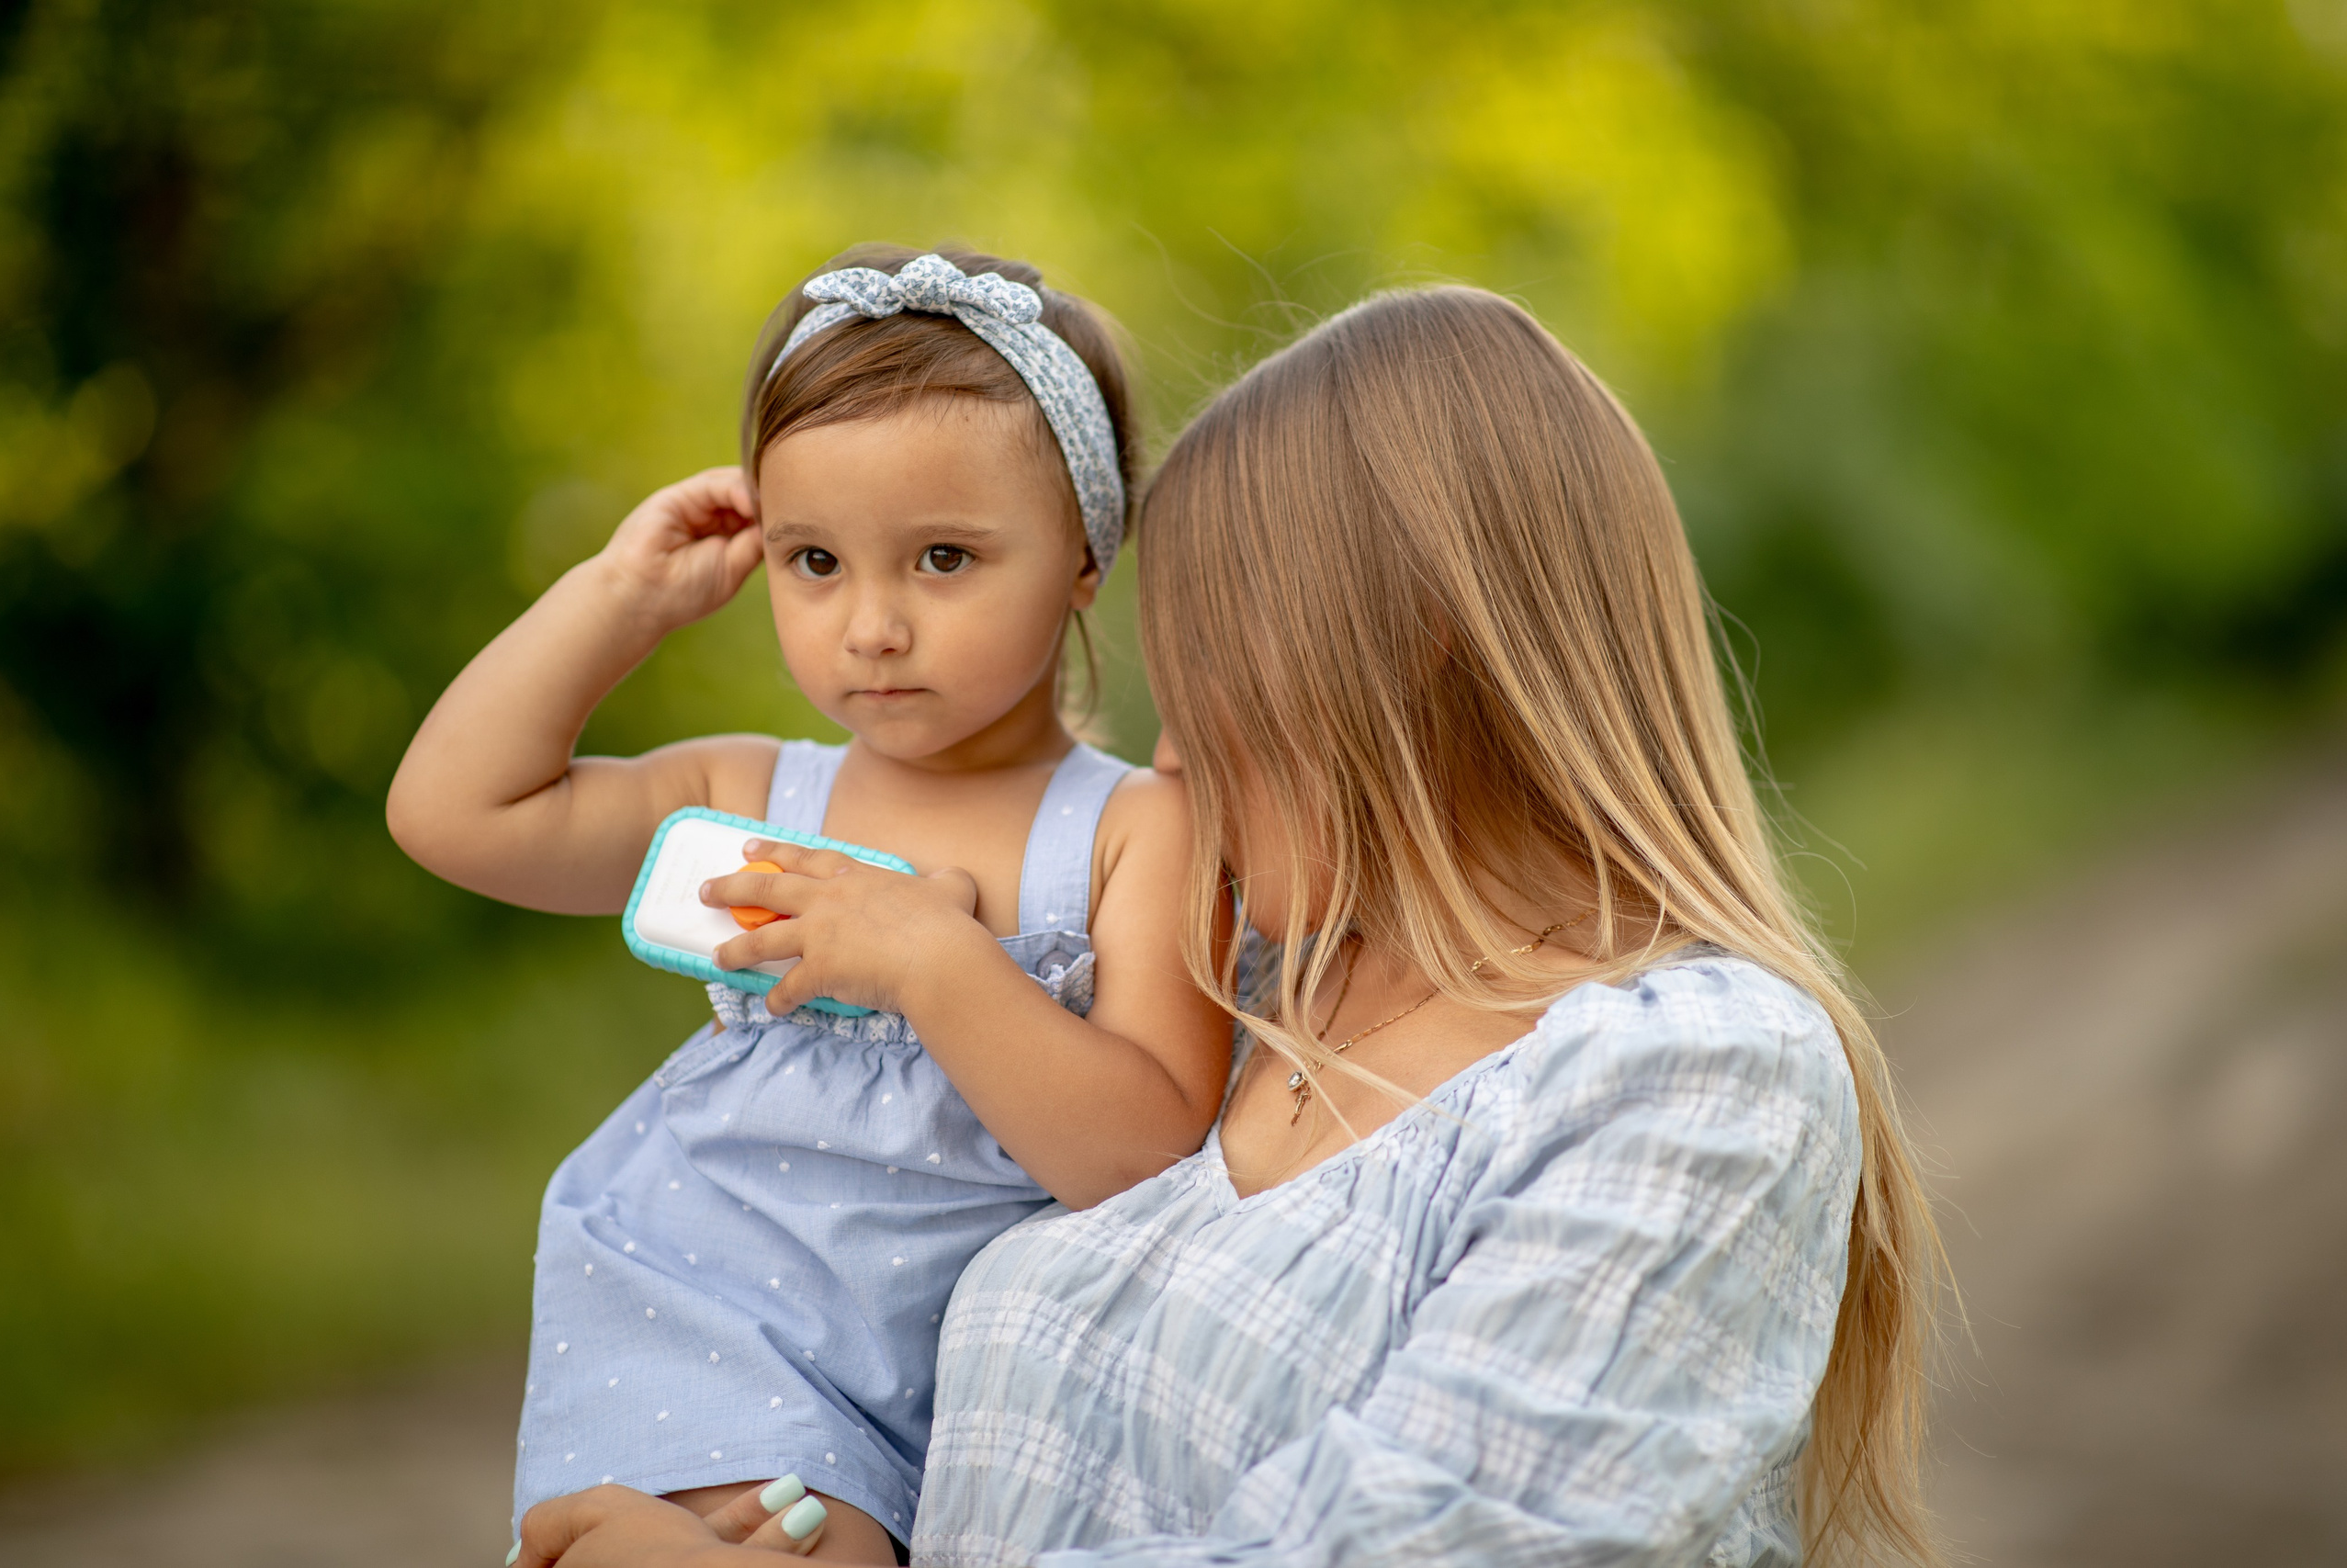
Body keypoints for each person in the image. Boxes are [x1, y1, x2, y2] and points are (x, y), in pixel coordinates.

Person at [509, 284, 1946, 1567]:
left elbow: (1413, 1541)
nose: (1169, 763)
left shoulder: (1692, 1069)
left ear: (1407, 651)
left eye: (1211, 684)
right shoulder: (1235, 994)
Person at [386, 245, 1231, 1565]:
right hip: (700, 1318)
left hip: (928, 1393)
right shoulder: (754, 799)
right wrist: (618, 603)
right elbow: (456, 816)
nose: (872, 626)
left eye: (942, 559)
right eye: (815, 560)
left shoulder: (1135, 830)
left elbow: (1144, 1158)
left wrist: (934, 963)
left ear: (1083, 555)